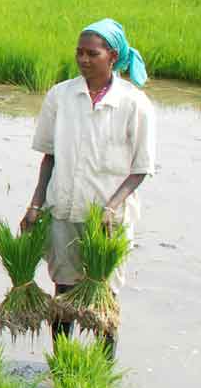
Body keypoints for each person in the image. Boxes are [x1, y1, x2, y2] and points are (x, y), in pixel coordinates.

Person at [22, 18, 156, 360]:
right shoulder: (62, 96)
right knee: (64, 291)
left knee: (103, 294)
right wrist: (35, 204)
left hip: (107, 220)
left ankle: (101, 370)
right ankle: (62, 364)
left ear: (112, 56)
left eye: (92, 53)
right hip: (64, 208)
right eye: (79, 52)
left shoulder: (133, 103)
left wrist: (112, 207)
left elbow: (140, 170)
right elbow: (49, 157)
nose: (83, 59)